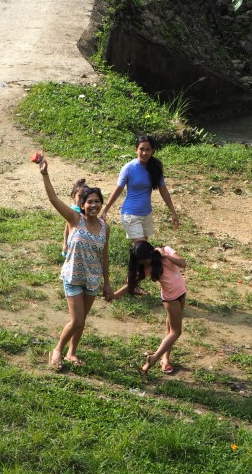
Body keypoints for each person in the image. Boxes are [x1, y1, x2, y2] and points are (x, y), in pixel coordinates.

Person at [38, 154, 112, 369]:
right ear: (82, 204)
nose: (94, 205)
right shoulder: (74, 218)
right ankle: (58, 350)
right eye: (90, 202)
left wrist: (107, 283)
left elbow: (104, 256)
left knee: (82, 320)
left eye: (97, 202)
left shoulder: (105, 227)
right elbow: (53, 199)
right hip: (73, 275)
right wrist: (45, 174)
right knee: (77, 320)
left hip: (93, 278)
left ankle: (72, 352)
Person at [114, 241, 187, 376]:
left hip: (182, 294)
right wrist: (114, 295)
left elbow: (183, 263)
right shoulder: (149, 268)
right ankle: (154, 358)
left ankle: (165, 359)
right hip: (171, 299)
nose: (145, 263)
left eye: (146, 259)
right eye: (141, 262)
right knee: (176, 332)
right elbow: (131, 284)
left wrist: (166, 256)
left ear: (151, 252)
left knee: (170, 329)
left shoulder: (166, 251)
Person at [101, 135, 179, 243]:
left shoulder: (155, 168)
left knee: (140, 251)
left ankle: (131, 260)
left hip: (147, 213)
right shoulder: (129, 168)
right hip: (130, 214)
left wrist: (173, 212)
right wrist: (105, 210)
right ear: (136, 149)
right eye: (141, 149)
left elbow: (163, 191)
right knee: (142, 247)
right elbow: (118, 189)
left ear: (153, 151)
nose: (144, 153)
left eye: (148, 149)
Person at [62, 178, 87, 257]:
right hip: (72, 243)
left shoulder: (86, 210)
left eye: (84, 197)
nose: (82, 199)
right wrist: (65, 244)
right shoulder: (72, 210)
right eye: (79, 196)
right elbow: (66, 229)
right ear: (73, 196)